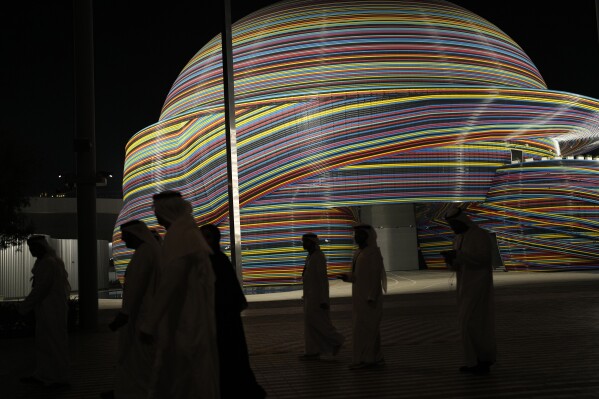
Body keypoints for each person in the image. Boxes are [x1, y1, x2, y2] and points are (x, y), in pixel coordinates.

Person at [139, 191, 219, 398]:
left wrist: (150, 324)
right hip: (189, 315)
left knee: (186, 377)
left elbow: (170, 284)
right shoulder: (187, 232)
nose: (155, 217)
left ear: (166, 210)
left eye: (156, 212)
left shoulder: (180, 235)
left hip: (185, 318)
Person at [200, 223, 266, 399]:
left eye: (207, 236)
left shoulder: (218, 259)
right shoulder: (206, 259)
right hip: (215, 318)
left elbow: (229, 290)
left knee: (229, 356)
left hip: (225, 320)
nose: (203, 240)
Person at [105, 220, 161, 399]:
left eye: (125, 235)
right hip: (143, 315)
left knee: (138, 360)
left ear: (135, 234)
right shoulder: (150, 251)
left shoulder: (145, 253)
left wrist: (125, 313)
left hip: (141, 316)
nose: (122, 239)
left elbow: (136, 286)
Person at [441, 208, 496, 375]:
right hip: (464, 287)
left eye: (454, 224)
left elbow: (484, 258)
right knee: (466, 324)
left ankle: (483, 360)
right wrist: (451, 259)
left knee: (475, 323)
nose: (453, 228)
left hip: (478, 286)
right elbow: (458, 264)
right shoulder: (458, 238)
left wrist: (459, 255)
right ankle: (472, 361)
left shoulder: (479, 235)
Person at [18, 235, 71, 390]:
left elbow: (40, 290)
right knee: (45, 343)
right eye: (30, 247)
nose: (31, 250)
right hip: (48, 310)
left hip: (52, 310)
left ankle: (59, 377)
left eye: (33, 247)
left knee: (54, 343)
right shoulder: (47, 262)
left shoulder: (48, 263)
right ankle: (45, 375)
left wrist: (23, 308)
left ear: (42, 247)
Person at [340, 224, 387, 370]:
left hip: (369, 300)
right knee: (362, 329)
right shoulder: (358, 253)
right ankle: (373, 357)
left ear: (368, 236)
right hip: (359, 299)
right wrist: (347, 277)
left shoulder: (373, 253)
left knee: (369, 329)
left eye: (359, 234)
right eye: (355, 235)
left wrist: (372, 296)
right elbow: (356, 276)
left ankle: (369, 360)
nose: (356, 237)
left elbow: (375, 277)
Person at [299, 233, 344, 360]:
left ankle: (337, 340)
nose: (303, 244)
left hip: (317, 298)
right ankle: (312, 352)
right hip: (309, 297)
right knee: (310, 326)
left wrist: (324, 299)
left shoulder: (318, 257)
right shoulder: (310, 256)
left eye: (305, 242)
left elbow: (322, 280)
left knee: (320, 324)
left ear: (312, 243)